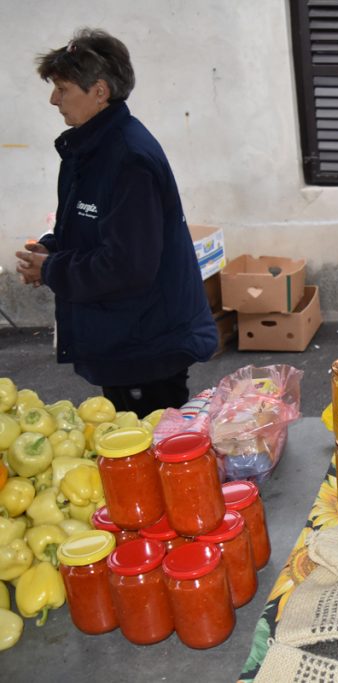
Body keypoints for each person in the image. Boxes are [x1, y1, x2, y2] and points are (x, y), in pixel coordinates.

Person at [15, 28, 216, 416]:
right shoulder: (88, 150)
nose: (53, 100)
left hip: (146, 346)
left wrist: (52, 268)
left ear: (99, 91)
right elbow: (92, 228)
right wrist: (50, 249)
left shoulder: (128, 159)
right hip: (125, 338)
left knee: (153, 445)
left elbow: (127, 265)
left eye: (62, 89)